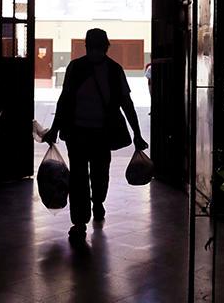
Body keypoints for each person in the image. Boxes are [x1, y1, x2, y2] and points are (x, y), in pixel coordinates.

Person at [43, 28, 148, 242]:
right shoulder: (101, 69)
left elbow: (125, 104)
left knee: (94, 175)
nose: (95, 51)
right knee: (84, 176)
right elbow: (65, 101)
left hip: (90, 133)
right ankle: (80, 221)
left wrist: (137, 133)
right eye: (94, 47)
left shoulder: (99, 69)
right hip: (84, 134)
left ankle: (97, 202)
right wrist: (54, 128)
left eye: (97, 47)